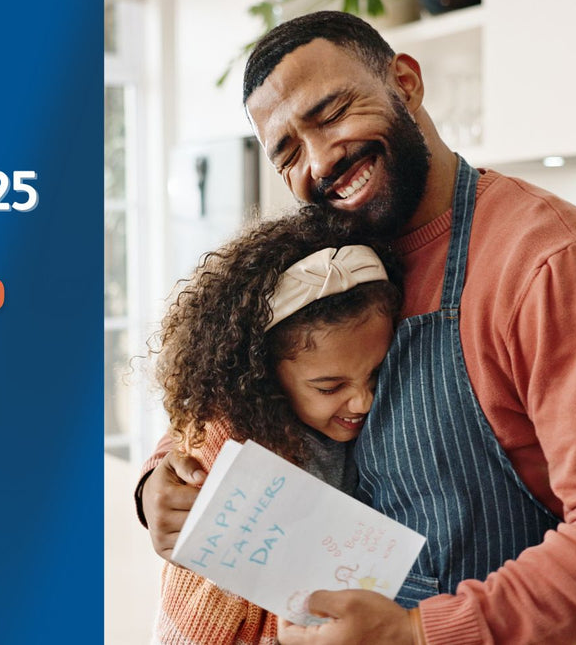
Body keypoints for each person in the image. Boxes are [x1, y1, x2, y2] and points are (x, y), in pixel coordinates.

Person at [136, 11, 576, 644]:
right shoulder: (326, 256)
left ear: (406, 82)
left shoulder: (551, 264)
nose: (320, 160)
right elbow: (224, 396)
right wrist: (160, 484)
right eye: (287, 151)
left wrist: (418, 633)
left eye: (333, 112)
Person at [149, 211, 400, 643]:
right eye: (329, 386)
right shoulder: (230, 442)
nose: (363, 401)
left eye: (376, 374)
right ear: (265, 375)